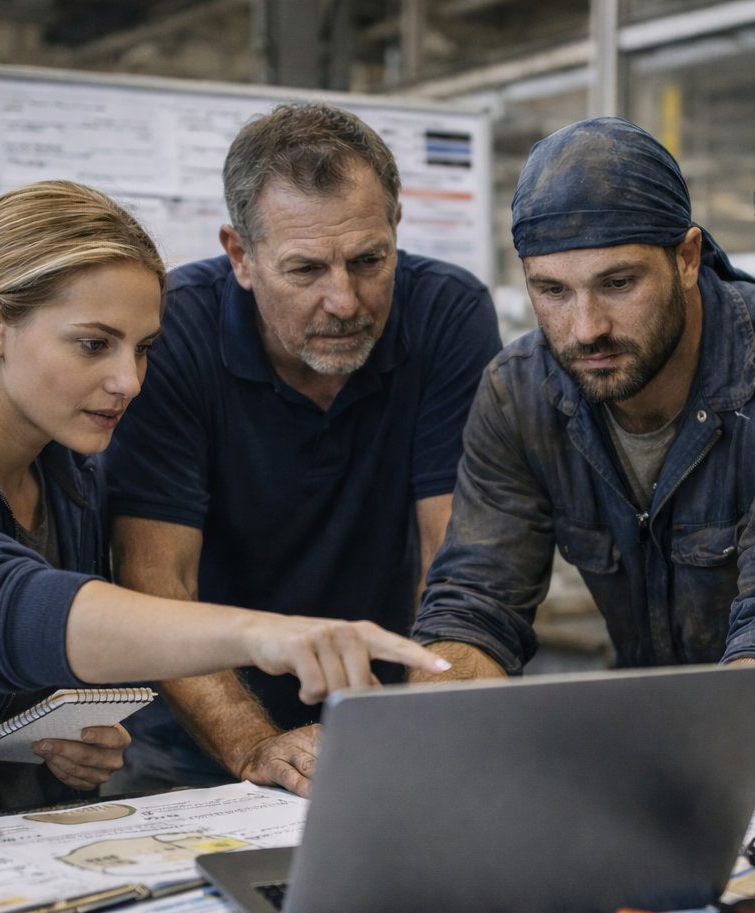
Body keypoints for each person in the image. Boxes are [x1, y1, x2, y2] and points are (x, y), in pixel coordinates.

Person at [0, 181, 450, 836]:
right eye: (94, 345)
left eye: (143, 349)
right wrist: (262, 634)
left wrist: (48, 742)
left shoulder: (66, 472)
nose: (129, 380)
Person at [409, 118, 755, 771]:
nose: (586, 329)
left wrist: (678, 776)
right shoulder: (517, 392)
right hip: (668, 756)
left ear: (687, 258)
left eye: (618, 283)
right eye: (551, 291)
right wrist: (422, 763)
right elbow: (474, 601)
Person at [105, 103, 500, 797]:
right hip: (200, 739)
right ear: (241, 256)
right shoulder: (172, 335)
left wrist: (428, 727)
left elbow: (455, 558)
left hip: (386, 716)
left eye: (369, 260)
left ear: (396, 229)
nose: (344, 301)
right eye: (305, 270)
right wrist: (255, 745)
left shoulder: (445, 312)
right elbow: (158, 582)